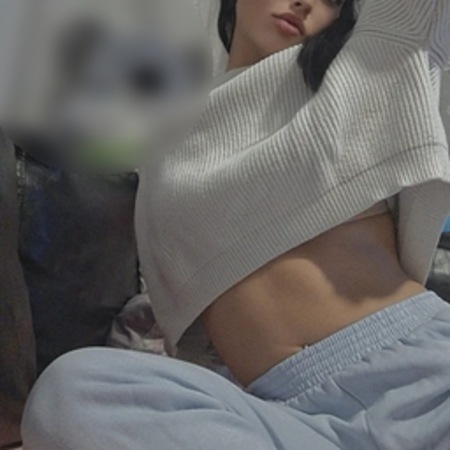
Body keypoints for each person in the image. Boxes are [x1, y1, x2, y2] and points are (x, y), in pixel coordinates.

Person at [22, 0, 450, 449]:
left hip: (424, 374)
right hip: (289, 421)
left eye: (332, 0)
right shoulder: (165, 142)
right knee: (70, 392)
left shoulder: (363, 68)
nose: (305, 2)